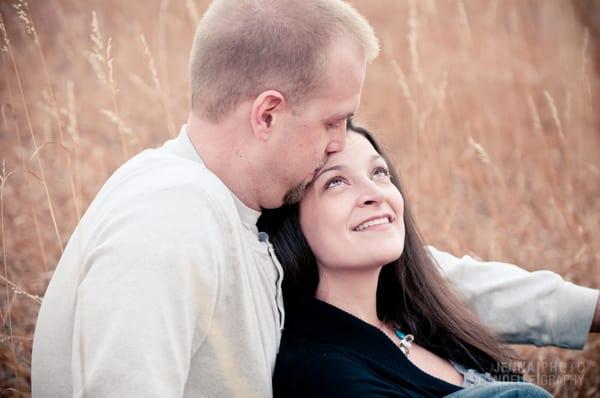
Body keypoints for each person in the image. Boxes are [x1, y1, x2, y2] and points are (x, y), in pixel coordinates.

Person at [31, 1, 599, 397]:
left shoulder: (243, 211)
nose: (338, 143)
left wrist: (583, 309)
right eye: (334, 121)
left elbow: (417, 277)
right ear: (268, 114)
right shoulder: (167, 221)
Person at [260, 123, 553, 397]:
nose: (375, 193)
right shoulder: (322, 373)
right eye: (336, 182)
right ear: (291, 222)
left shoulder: (419, 317)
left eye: (378, 173)